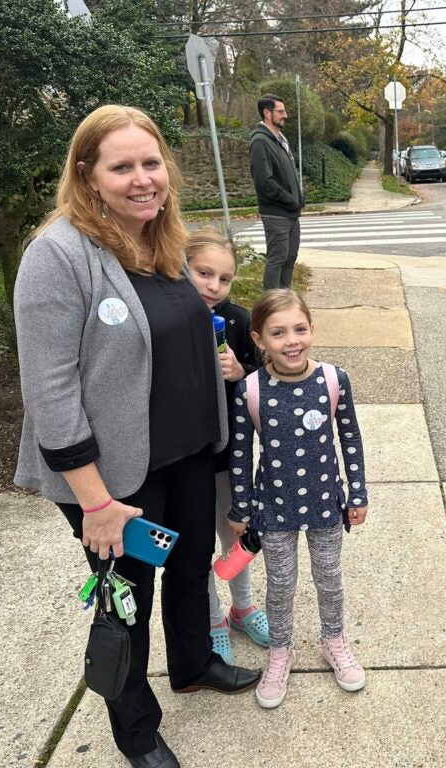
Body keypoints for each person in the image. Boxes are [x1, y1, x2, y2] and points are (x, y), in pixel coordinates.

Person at [14, 105, 260, 768]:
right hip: (114, 477)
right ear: (88, 175)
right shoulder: (57, 256)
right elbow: (49, 392)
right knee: (129, 596)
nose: (142, 179)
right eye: (122, 167)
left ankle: (193, 662)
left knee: (185, 568)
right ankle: (136, 731)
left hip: (182, 454)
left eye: (150, 163)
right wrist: (94, 502)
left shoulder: (162, 240)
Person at [228, 289, 369, 709]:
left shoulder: (333, 380)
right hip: (273, 510)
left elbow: (350, 439)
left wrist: (357, 491)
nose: (292, 341)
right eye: (278, 333)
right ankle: (280, 650)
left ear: (312, 329)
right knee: (281, 584)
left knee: (330, 578)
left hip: (327, 504)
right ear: (259, 339)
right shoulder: (251, 390)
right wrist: (241, 508)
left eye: (300, 329)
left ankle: (333, 639)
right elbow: (241, 454)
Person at [185, 228, 267, 664]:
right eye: (203, 273)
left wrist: (242, 371)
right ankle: (212, 618)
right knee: (195, 544)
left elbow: (264, 379)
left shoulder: (236, 321)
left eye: (224, 278)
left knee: (234, 534)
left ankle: (243, 607)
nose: (213, 286)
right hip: (181, 458)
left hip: (227, 457)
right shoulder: (169, 315)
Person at [250, 94, 304, 290]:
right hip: (276, 213)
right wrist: (291, 200)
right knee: (277, 259)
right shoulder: (260, 142)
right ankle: (271, 306)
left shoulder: (279, 139)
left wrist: (298, 200)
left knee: (290, 258)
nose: (285, 115)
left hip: (290, 213)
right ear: (267, 113)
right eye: (281, 112)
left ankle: (285, 300)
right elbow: (265, 183)